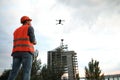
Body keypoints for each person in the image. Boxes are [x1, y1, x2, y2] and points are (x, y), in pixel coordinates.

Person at [8, 16, 37, 80]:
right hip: (26, 52)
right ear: (26, 21)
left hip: (16, 53)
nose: (30, 22)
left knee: (13, 72)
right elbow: (33, 40)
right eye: (29, 20)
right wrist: (35, 42)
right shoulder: (29, 28)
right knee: (26, 72)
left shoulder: (16, 30)